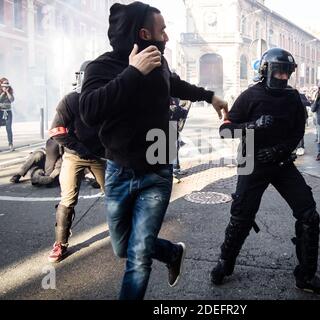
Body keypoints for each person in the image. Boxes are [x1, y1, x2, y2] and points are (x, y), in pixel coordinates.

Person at [79, 2, 228, 300]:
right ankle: (171, 253)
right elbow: (88, 111)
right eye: (162, 32)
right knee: (122, 247)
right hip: (119, 171)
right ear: (144, 34)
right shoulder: (101, 67)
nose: (167, 38)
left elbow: (173, 84)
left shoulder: (160, 65)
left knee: (138, 257)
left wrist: (209, 96)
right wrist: (132, 73)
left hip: (158, 171)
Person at [211, 48, 320, 299]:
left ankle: (306, 276)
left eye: (286, 72)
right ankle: (226, 260)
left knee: (309, 214)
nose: (282, 77)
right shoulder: (249, 96)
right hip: (251, 161)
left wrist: (280, 149)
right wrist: (251, 126)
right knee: (241, 216)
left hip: (281, 162)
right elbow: (226, 131)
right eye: (278, 71)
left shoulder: (293, 98)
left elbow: (298, 132)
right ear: (266, 70)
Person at [47, 62, 106, 263]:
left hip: (99, 156)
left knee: (115, 194)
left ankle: (127, 231)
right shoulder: (71, 100)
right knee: (68, 200)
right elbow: (56, 131)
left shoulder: (104, 99)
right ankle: (60, 244)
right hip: (74, 156)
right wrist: (81, 148)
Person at [0, 78, 15, 151]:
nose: (5, 86)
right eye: (4, 84)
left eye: (7, 84)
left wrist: (7, 92)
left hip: (8, 112)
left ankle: (10, 144)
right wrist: (3, 93)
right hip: (0, 112)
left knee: (8, 128)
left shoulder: (10, 92)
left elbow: (12, 100)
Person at [295, 92, 310, 156]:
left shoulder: (301, 96)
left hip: (302, 117)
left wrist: (299, 100)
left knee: (300, 133)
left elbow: (308, 103)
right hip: (293, 117)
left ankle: (301, 147)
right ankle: (297, 146)